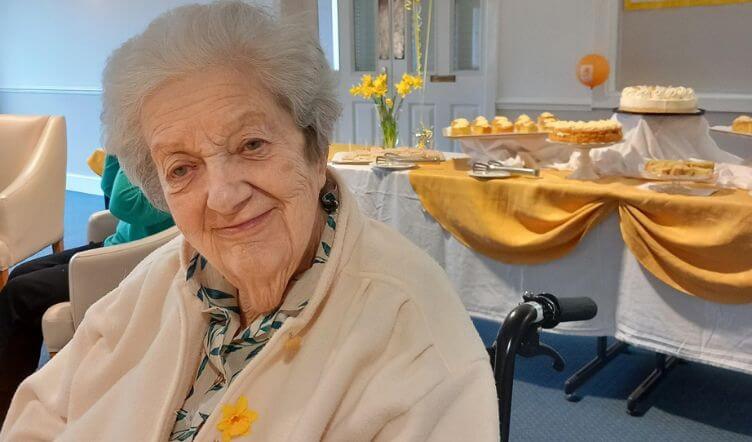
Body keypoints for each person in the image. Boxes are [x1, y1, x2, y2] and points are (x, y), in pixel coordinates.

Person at [0, 2, 498, 440]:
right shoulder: (163, 277)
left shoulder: (418, 342)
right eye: (182, 169)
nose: (222, 197)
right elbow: (43, 410)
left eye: (251, 144)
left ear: (315, 148)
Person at [0, 155, 174, 422]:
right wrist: (116, 147)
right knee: (23, 273)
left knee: (20, 295)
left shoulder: (170, 157)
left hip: (131, 262)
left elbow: (122, 203)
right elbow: (108, 189)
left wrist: (129, 144)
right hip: (117, 245)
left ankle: (5, 410)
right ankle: (13, 383)